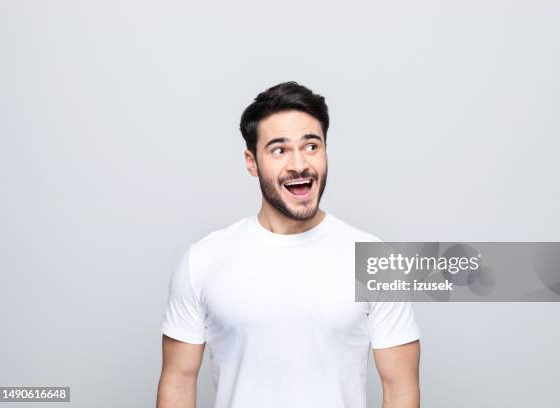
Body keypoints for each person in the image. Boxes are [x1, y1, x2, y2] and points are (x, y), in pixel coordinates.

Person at [156, 81, 421, 408]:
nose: (299, 164)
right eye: (279, 150)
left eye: (311, 146)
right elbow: (178, 384)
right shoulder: (203, 261)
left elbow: (400, 390)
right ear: (251, 162)